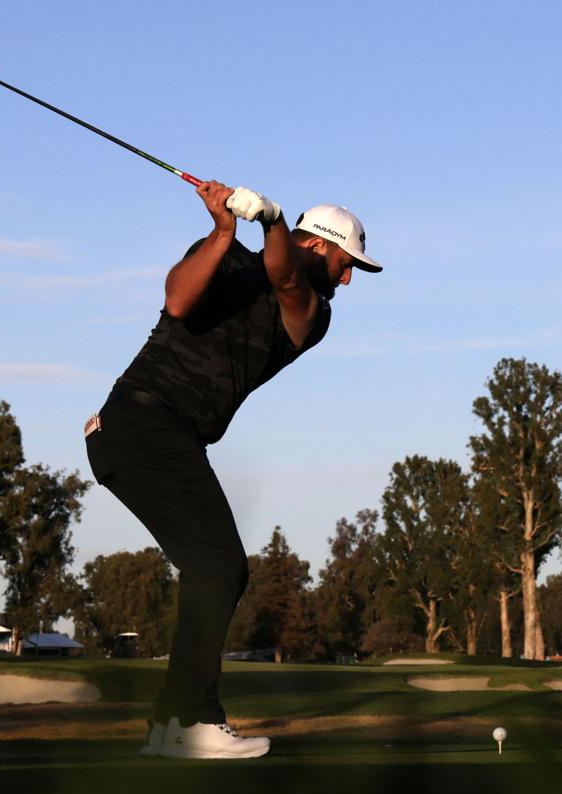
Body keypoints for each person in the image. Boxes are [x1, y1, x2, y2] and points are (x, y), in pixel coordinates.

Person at [85, 182, 381, 759]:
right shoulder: (224, 254)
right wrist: (225, 231)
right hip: (139, 426)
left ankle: (173, 722)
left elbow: (287, 278)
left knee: (214, 567)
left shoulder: (311, 315)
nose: (348, 280)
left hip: (163, 438)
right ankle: (189, 720)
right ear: (321, 246)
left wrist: (270, 222)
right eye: (347, 264)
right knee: (219, 566)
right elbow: (176, 300)